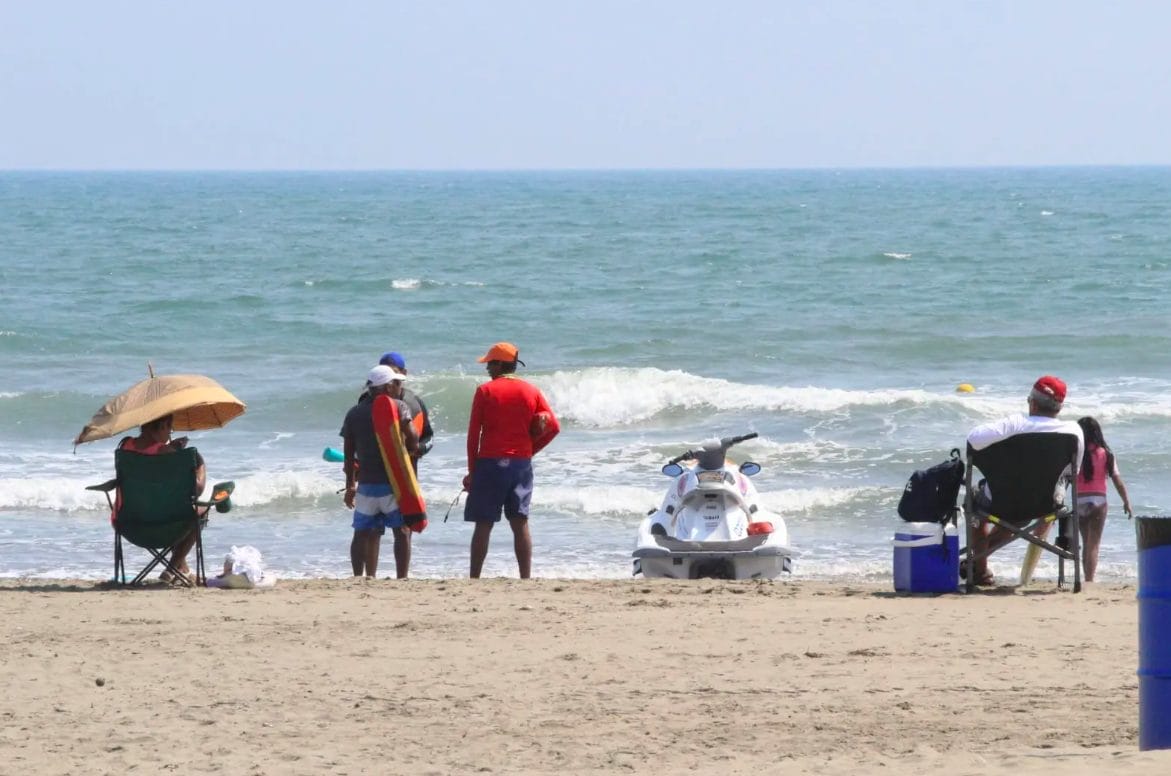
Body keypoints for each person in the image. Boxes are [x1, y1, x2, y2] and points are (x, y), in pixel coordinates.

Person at [963, 375, 1084, 586]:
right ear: (1059, 407)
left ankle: (980, 569)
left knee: (974, 500)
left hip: (1000, 501)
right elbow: (1072, 473)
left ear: (1033, 403)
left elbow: (973, 439)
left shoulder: (1015, 424)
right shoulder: (1073, 432)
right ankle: (978, 564)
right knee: (1020, 514)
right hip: (1044, 504)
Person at [463, 342, 560, 579]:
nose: (487, 368)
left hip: (490, 464)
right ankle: (525, 578)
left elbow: (473, 435)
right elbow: (554, 427)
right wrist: (529, 451)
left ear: (499, 364)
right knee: (520, 522)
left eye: (490, 363)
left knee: (483, 523)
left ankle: (474, 578)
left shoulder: (485, 391)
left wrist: (472, 472)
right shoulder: (532, 391)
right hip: (520, 465)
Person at [340, 365, 419, 579]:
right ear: (387, 387)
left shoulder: (354, 413)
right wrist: (412, 448)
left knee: (361, 533)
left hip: (366, 485)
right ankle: (402, 578)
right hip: (393, 485)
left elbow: (348, 456)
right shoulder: (399, 406)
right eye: (395, 383)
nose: (398, 387)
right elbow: (413, 439)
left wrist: (350, 486)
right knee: (401, 531)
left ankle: (358, 578)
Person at [117, 414, 207, 583]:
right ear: (163, 425)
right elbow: (198, 490)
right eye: (170, 429)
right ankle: (171, 569)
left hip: (129, 524)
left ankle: (182, 569)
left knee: (168, 507)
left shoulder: (125, 446)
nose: (169, 433)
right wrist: (201, 464)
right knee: (198, 512)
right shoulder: (169, 454)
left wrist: (168, 448)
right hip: (167, 527)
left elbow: (148, 453)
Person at [1076, 416, 1133, 582]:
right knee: (1094, 544)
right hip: (1099, 502)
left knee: (1085, 542)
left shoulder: (1076, 454)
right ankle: (1089, 580)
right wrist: (1126, 501)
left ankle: (1086, 577)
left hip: (1079, 500)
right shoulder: (1106, 454)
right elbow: (1117, 481)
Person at [355, 352, 434, 470]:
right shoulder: (366, 400)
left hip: (406, 471)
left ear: (403, 373)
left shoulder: (415, 403)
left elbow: (429, 437)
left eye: (393, 372)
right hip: (373, 470)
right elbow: (358, 435)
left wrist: (420, 448)